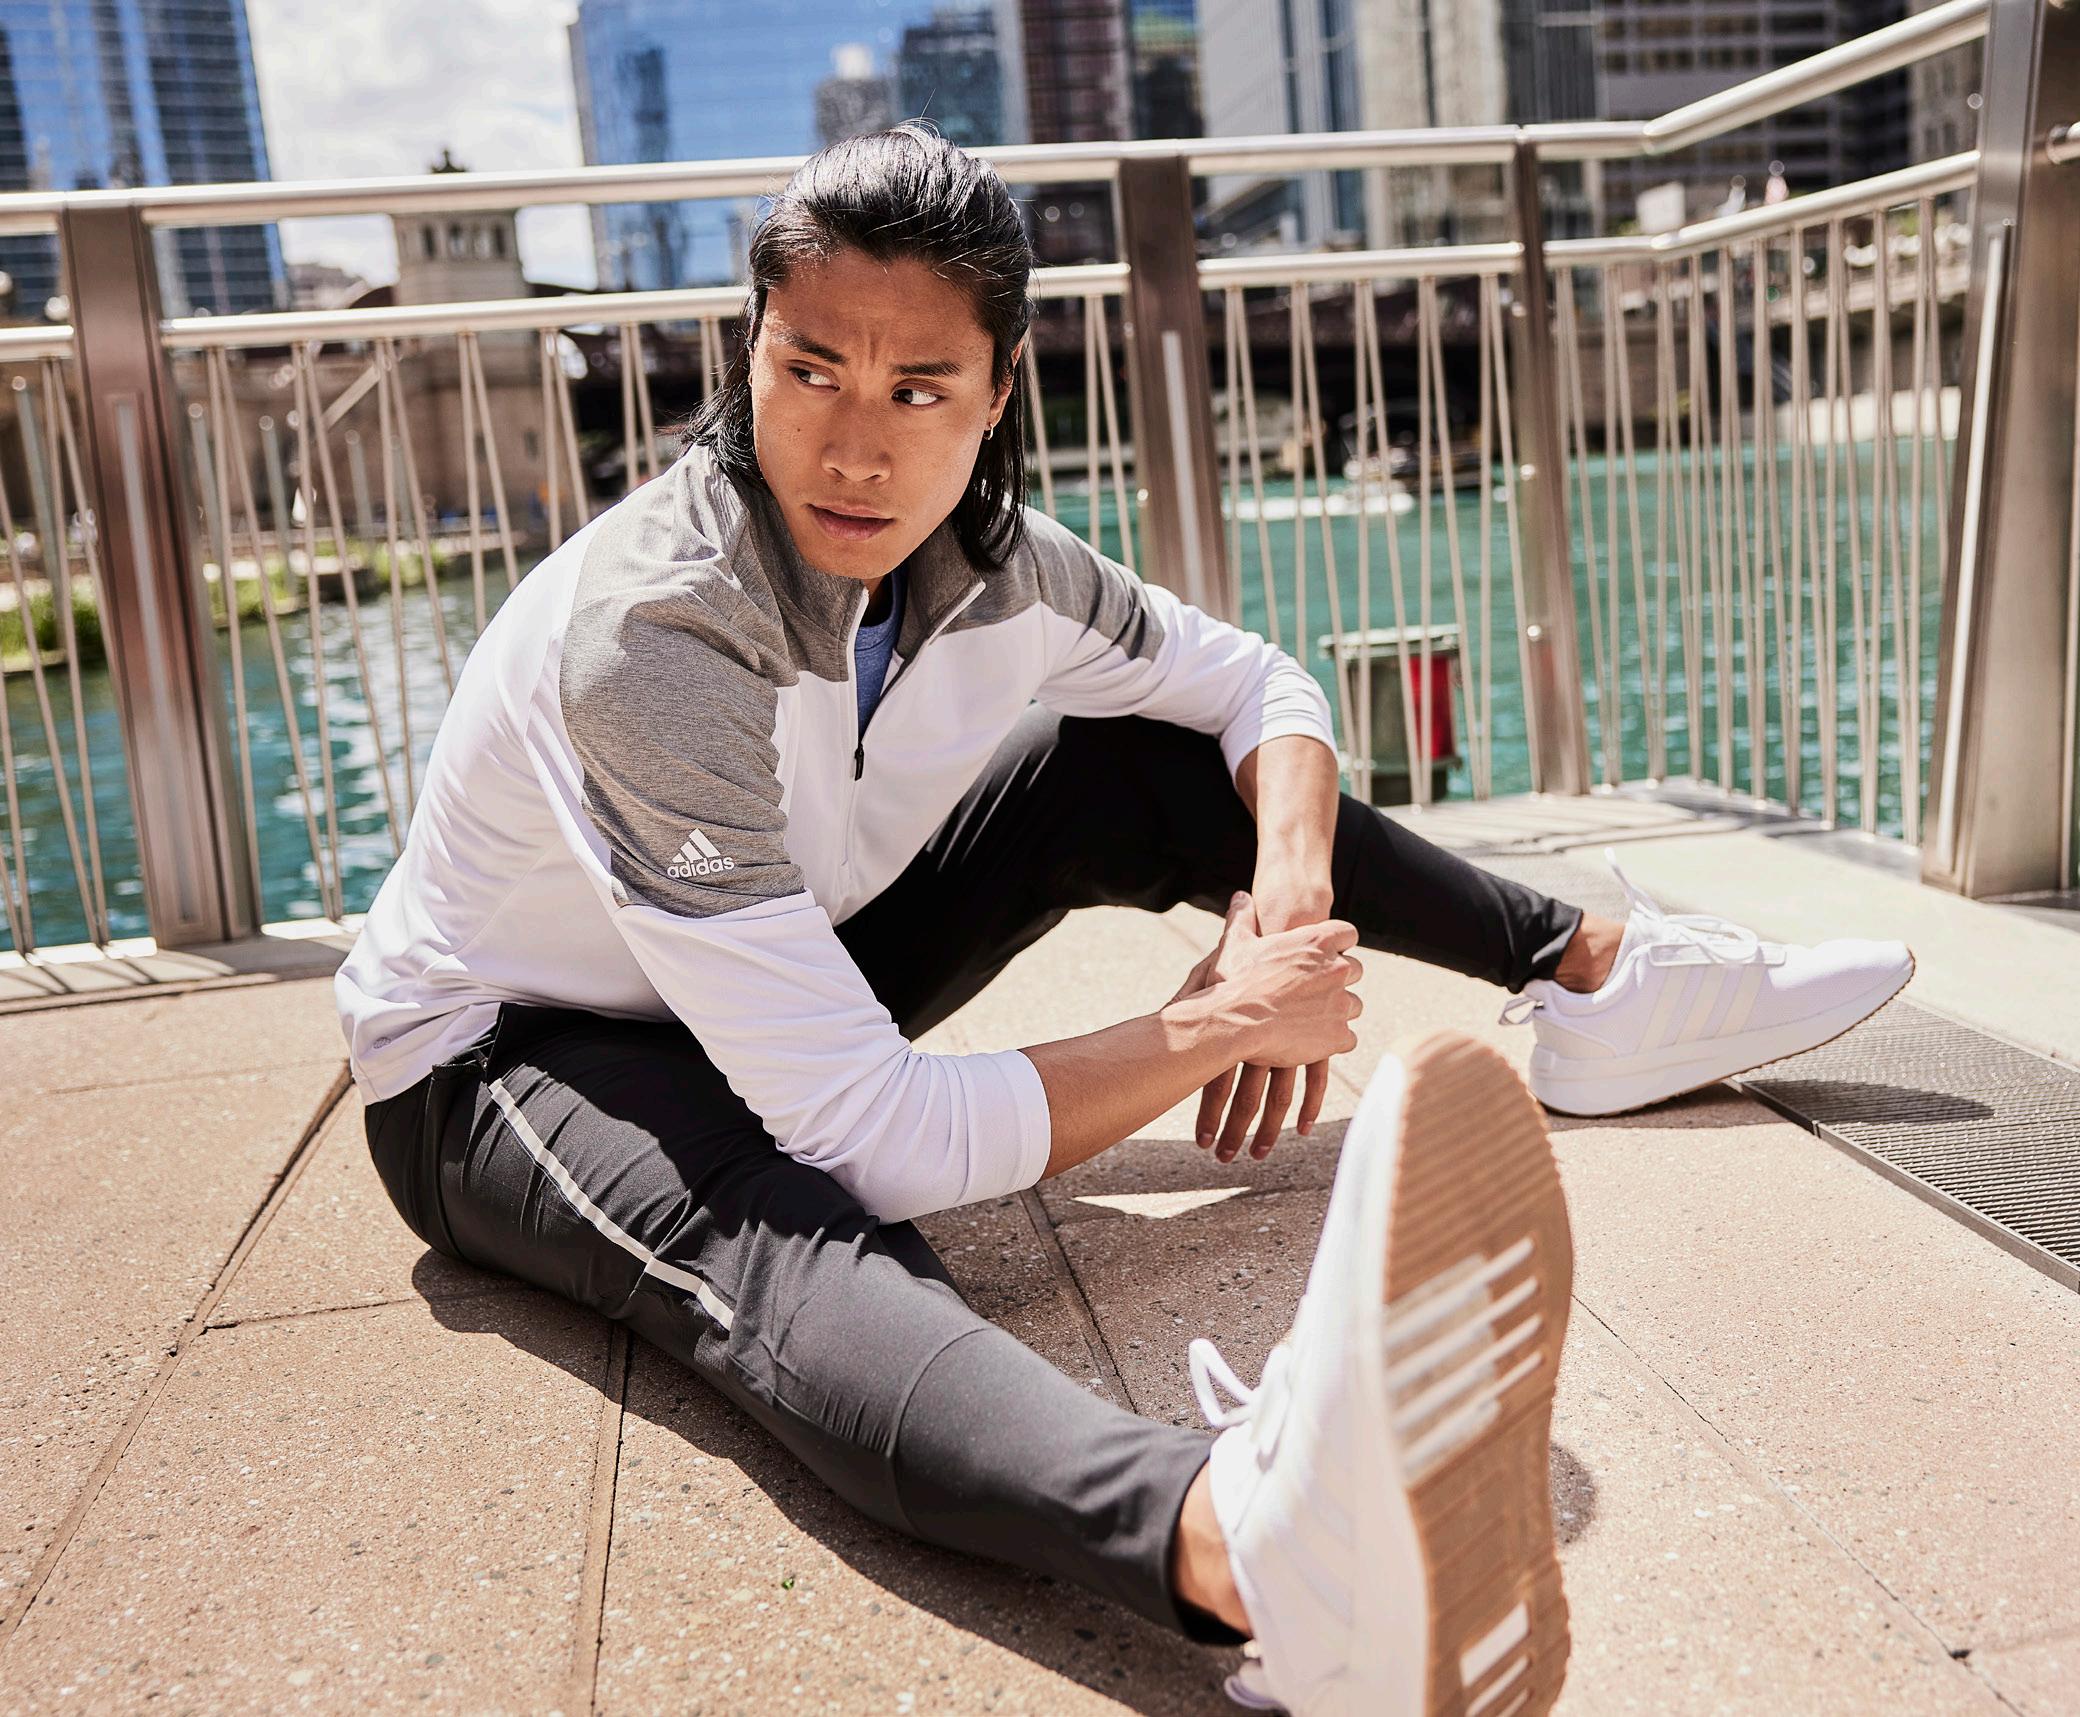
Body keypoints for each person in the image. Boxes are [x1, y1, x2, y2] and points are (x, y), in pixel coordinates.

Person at [338, 126, 1914, 1715]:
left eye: (919, 389)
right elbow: (871, 1131)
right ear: (750, 351)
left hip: (767, 958)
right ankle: (1249, 1547)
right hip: (504, 1055)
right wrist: (1220, 1022)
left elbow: (1258, 687)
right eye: (809, 370)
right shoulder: (657, 634)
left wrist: (1284, 899)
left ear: (999, 391)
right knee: (782, 1218)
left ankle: (1596, 973)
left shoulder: (996, 568)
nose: (855, 448)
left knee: (1129, 759)